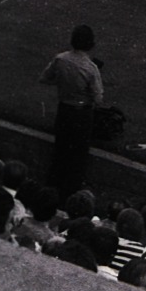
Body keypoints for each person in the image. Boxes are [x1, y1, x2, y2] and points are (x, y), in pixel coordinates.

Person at [40, 23, 105, 195]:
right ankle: (70, 192)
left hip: (64, 110)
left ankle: (52, 189)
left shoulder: (60, 59)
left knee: (60, 152)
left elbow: (45, 78)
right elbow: (98, 99)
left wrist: (62, 83)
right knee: (78, 157)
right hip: (82, 114)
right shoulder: (91, 69)